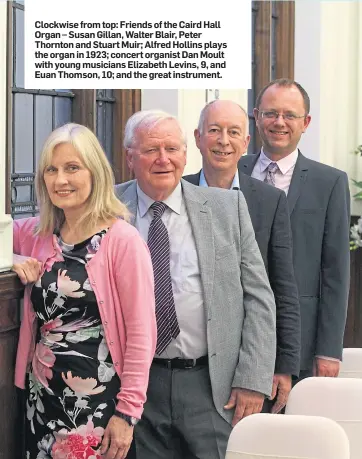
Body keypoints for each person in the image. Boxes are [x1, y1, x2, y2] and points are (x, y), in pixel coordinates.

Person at [115, 109, 276, 459]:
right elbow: (44, 233)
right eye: (150, 150)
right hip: (135, 386)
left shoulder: (226, 206)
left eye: (172, 149)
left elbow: (259, 298)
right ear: (129, 156)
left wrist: (252, 377)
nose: (163, 159)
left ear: (186, 153)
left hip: (211, 385)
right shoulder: (106, 208)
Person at [11, 123, 157, 459]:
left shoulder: (122, 241)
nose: (60, 180)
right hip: (41, 401)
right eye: (52, 169)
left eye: (72, 168)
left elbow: (141, 335)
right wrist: (14, 255)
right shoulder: (36, 233)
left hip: (99, 408)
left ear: (96, 174)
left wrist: (127, 414)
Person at [184, 99, 300, 413]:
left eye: (233, 132)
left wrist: (281, 365)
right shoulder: (178, 195)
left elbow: (282, 288)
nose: (224, 140)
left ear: (246, 142)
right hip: (188, 367)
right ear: (197, 138)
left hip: (247, 362)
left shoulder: (268, 201)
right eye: (214, 131)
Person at [239, 78, 351, 380]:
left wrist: (328, 350)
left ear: (306, 122)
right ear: (256, 116)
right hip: (235, 338)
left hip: (301, 342)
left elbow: (335, 272)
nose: (279, 122)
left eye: (290, 115)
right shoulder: (231, 172)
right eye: (271, 113)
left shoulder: (329, 183)